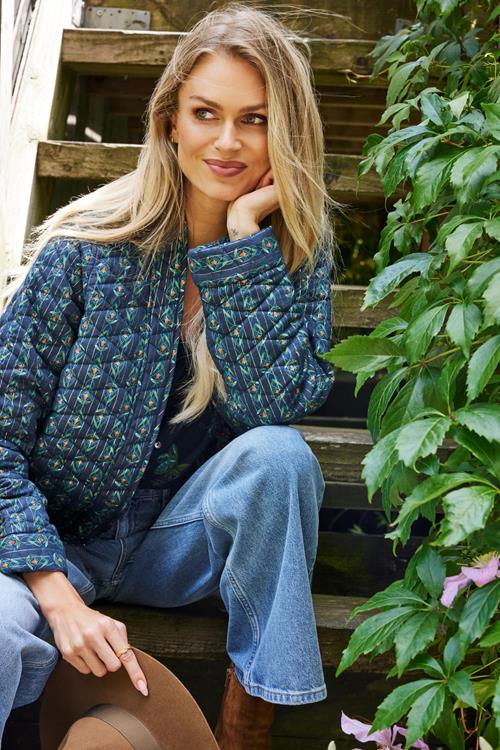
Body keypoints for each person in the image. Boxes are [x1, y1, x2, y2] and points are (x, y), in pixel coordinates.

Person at [0, 3, 337, 748]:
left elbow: (275, 405)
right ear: (170, 122)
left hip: (176, 546)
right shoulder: (88, 250)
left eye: (255, 120)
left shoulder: (294, 255)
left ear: (286, 131)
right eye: (205, 113)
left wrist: (241, 247)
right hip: (52, 545)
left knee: (281, 456)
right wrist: (55, 594)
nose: (227, 141)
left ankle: (247, 725)